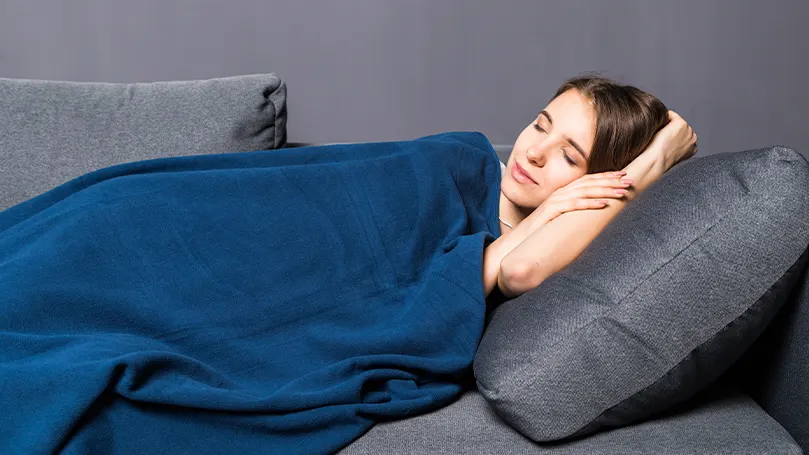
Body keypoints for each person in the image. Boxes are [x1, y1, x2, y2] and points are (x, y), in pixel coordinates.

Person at [483, 75, 698, 304]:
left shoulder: (576, 243)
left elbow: (519, 269)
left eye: (568, 157)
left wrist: (652, 164)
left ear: (599, 179)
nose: (534, 153)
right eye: (540, 126)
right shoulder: (456, 162)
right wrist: (543, 213)